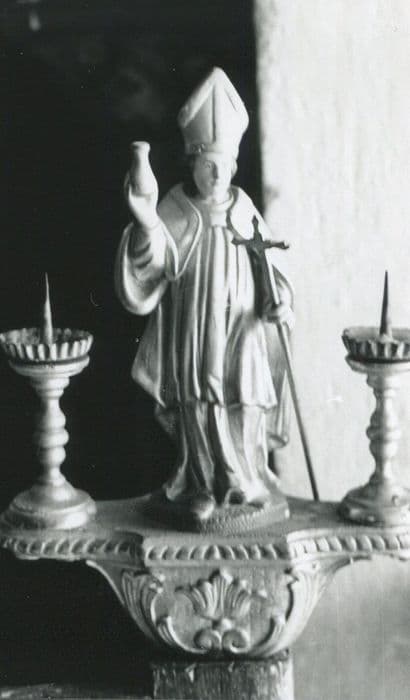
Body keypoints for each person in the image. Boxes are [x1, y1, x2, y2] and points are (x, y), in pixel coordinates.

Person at [115, 68, 294, 524]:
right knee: (199, 399)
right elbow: (152, 261)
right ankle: (201, 483)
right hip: (194, 328)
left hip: (244, 327)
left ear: (234, 167)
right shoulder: (177, 208)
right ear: (191, 164)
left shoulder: (246, 210)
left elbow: (271, 268)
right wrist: (146, 221)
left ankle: (246, 481)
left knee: (246, 396)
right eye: (207, 165)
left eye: (223, 166)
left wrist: (279, 299)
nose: (215, 175)